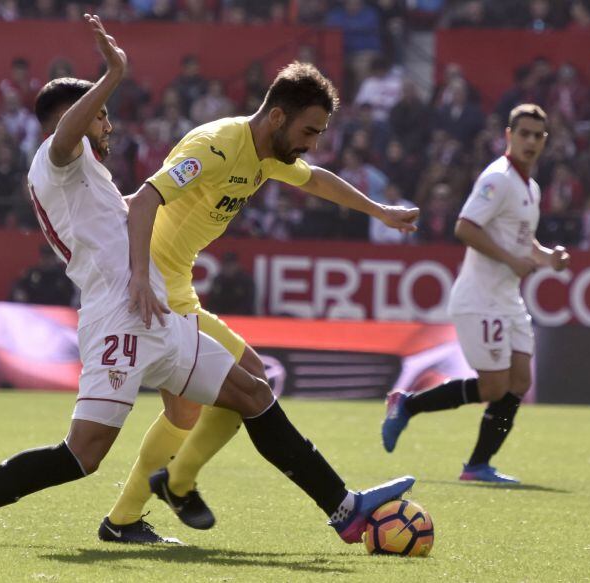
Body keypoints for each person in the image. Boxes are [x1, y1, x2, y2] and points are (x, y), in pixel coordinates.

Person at [0, 14, 414, 545]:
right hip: (119, 315)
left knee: (252, 392)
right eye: (101, 116)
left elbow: (125, 212)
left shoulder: (90, 176)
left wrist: (379, 210)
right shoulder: (55, 158)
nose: (108, 125)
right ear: (73, 117)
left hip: (155, 311)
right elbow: (79, 146)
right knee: (82, 455)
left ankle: (343, 508)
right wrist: (113, 74)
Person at [103, 60, 419, 540]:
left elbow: (316, 179)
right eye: (309, 131)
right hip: (157, 290)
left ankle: (159, 494)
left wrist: (380, 211)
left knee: (227, 392)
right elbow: (145, 200)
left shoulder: (269, 154)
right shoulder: (216, 146)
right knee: (235, 393)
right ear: (276, 116)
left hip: (177, 286)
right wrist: (141, 279)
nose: (313, 144)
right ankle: (153, 499)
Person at [381, 104, 571, 483]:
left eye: (537, 135)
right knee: (494, 387)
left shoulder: (530, 188)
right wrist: (511, 261)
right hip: (480, 300)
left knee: (520, 381)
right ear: (509, 136)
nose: (531, 141)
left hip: (508, 300)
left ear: (544, 141)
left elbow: (522, 240)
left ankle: (477, 466)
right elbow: (466, 227)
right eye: (524, 133)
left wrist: (548, 258)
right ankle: (408, 404)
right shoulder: (497, 178)